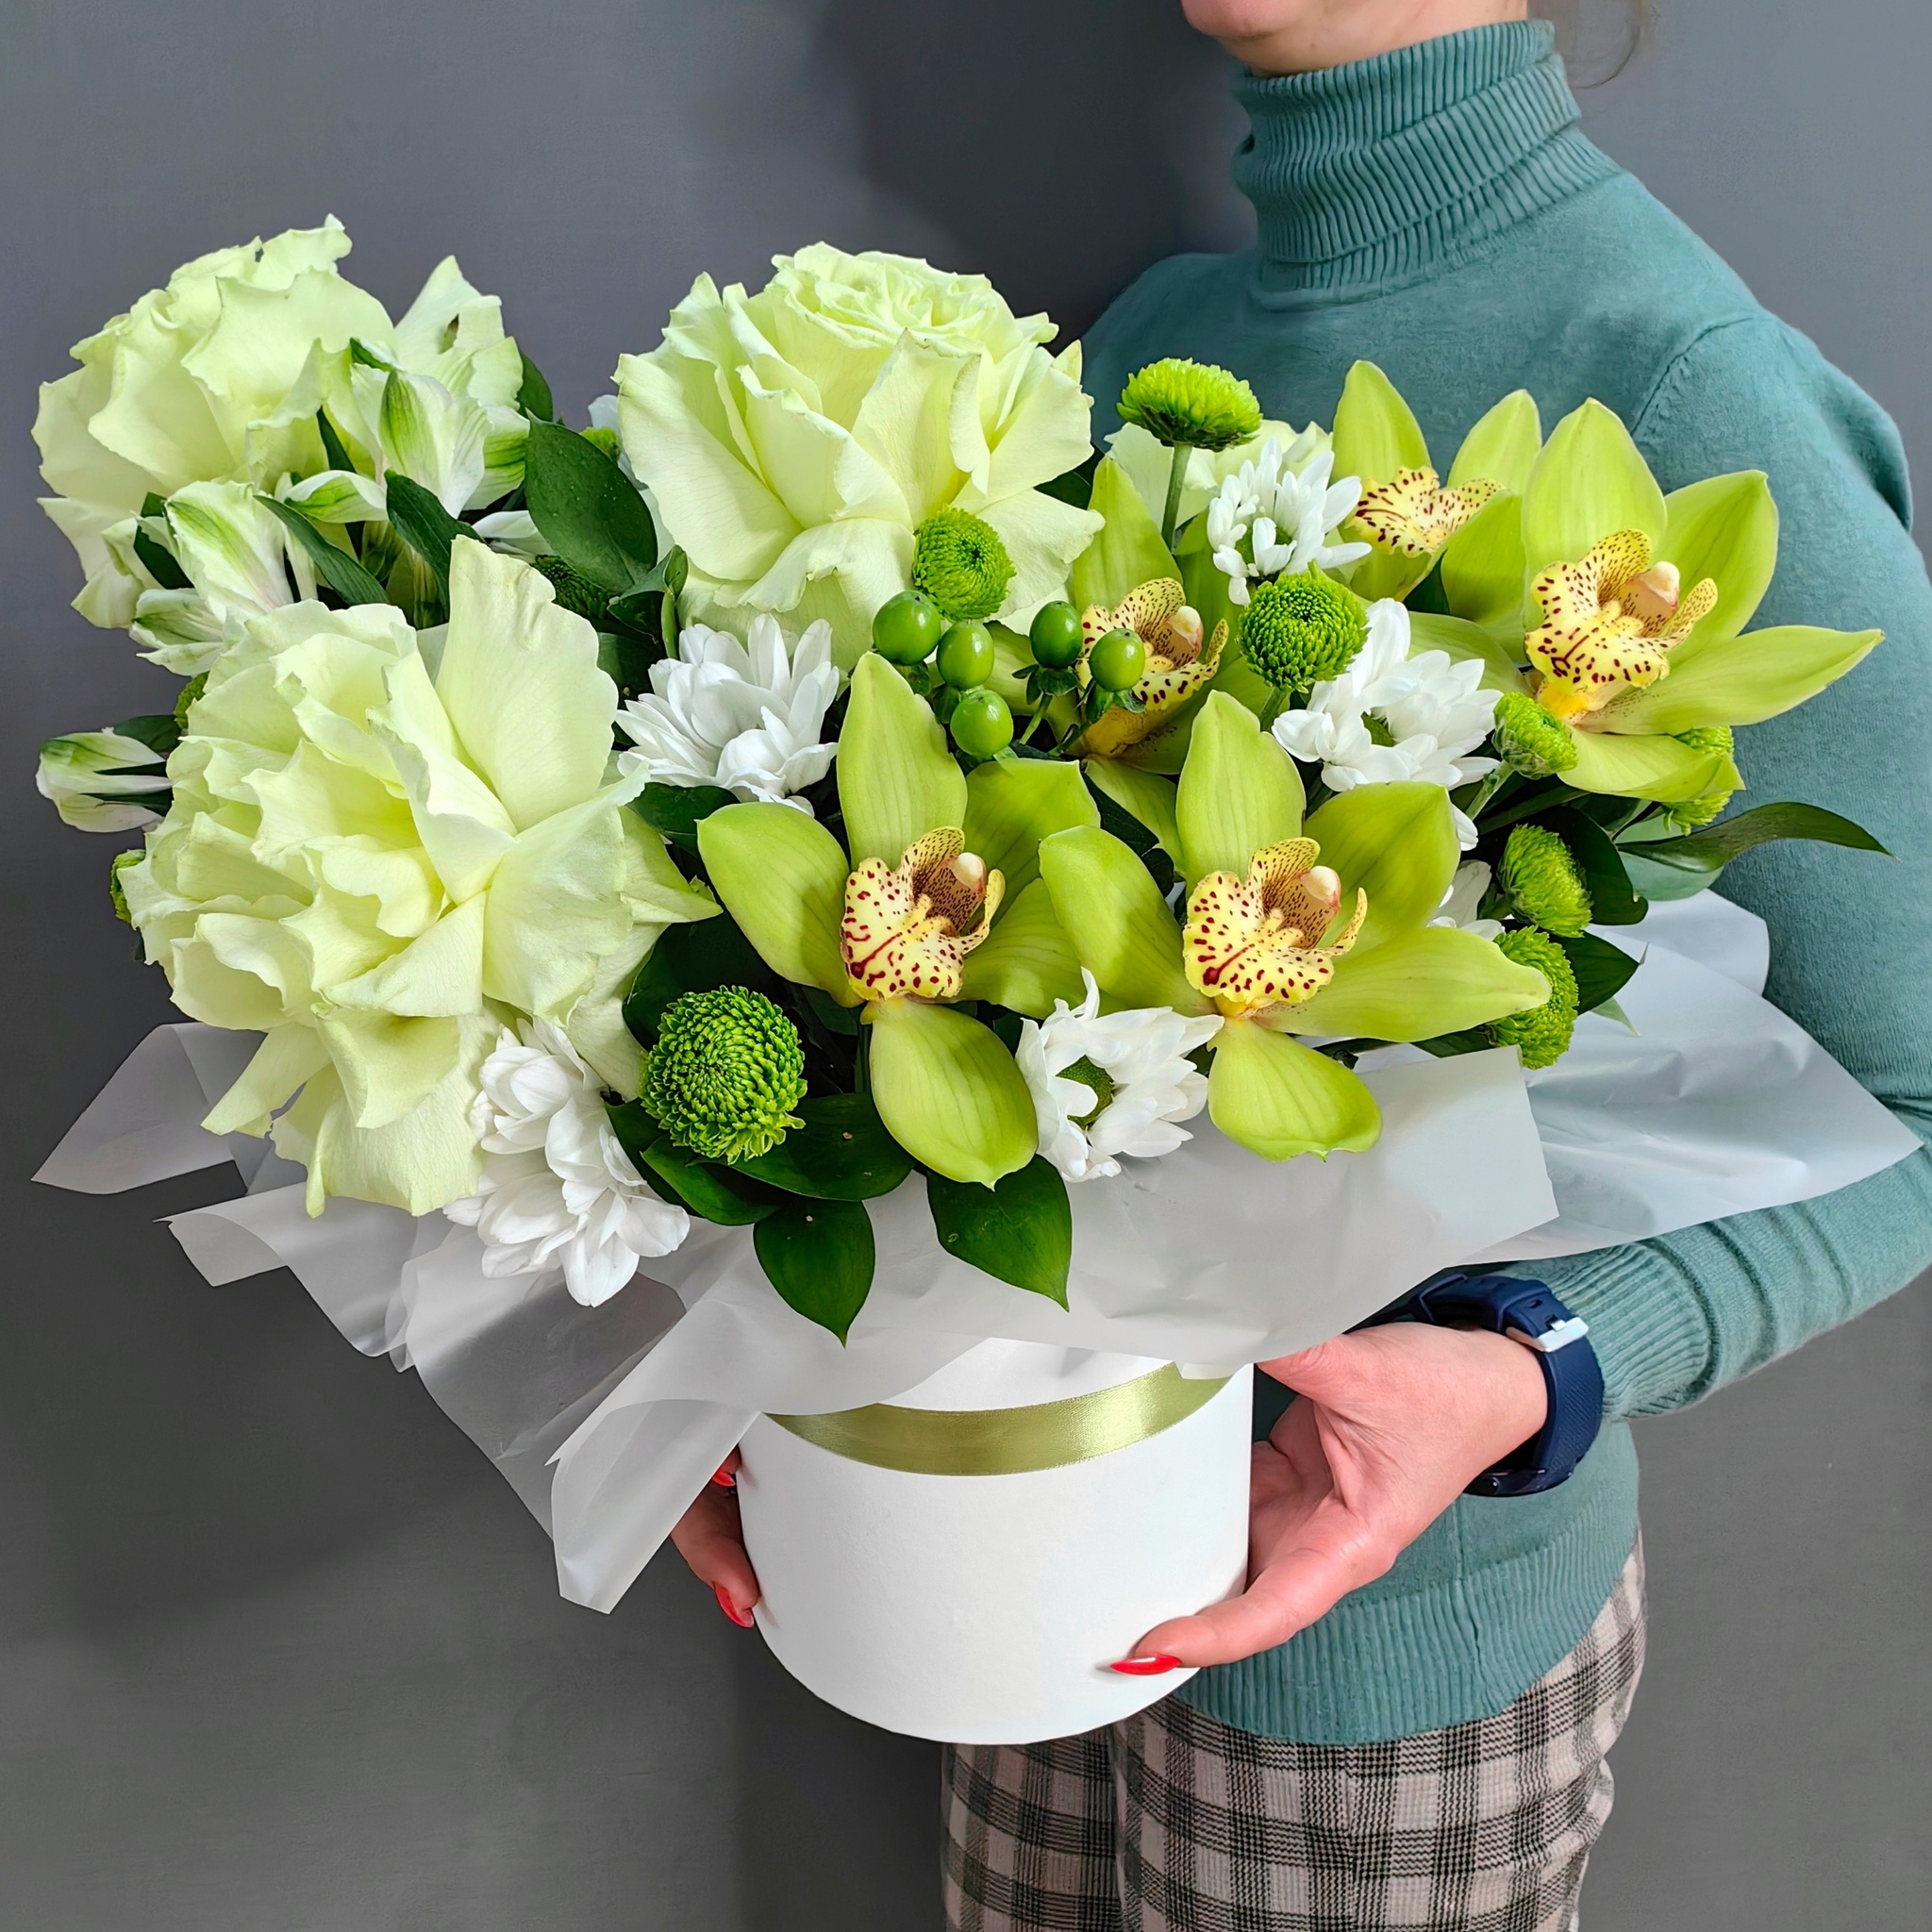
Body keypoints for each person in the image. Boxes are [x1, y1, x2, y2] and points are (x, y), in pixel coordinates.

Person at [675, 3, 1932, 1924]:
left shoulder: (1682, 388)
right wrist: (727, 1373)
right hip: (1000, 1560)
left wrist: (1529, 1371)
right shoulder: (1138, 353)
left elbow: (1921, 1107)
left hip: (1382, 1668)